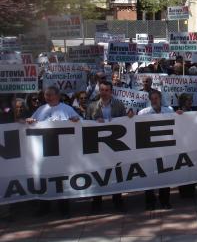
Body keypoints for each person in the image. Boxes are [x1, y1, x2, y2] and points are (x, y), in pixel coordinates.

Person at [25, 86, 81, 217]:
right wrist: (29, 121)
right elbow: (31, 123)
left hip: (63, 153)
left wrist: (76, 120)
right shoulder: (40, 110)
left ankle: (64, 208)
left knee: (62, 180)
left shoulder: (67, 109)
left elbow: (80, 124)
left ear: (57, 95)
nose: (47, 97)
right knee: (45, 179)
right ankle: (44, 207)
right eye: (46, 95)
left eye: (50, 95)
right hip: (45, 153)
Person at [85, 81, 129, 213]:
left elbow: (125, 122)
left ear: (111, 92)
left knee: (116, 172)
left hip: (115, 146)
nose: (104, 93)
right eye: (102, 90)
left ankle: (117, 199)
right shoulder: (92, 106)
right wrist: (93, 122)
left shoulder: (119, 105)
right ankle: (97, 202)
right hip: (97, 146)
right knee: (97, 173)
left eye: (106, 90)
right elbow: (85, 123)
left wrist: (129, 117)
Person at [137, 89, 173, 210]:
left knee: (165, 176)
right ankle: (150, 201)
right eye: (152, 99)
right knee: (149, 177)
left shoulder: (169, 111)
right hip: (149, 150)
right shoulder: (143, 113)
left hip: (165, 149)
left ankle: (165, 200)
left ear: (160, 99)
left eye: (156, 98)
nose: (154, 101)